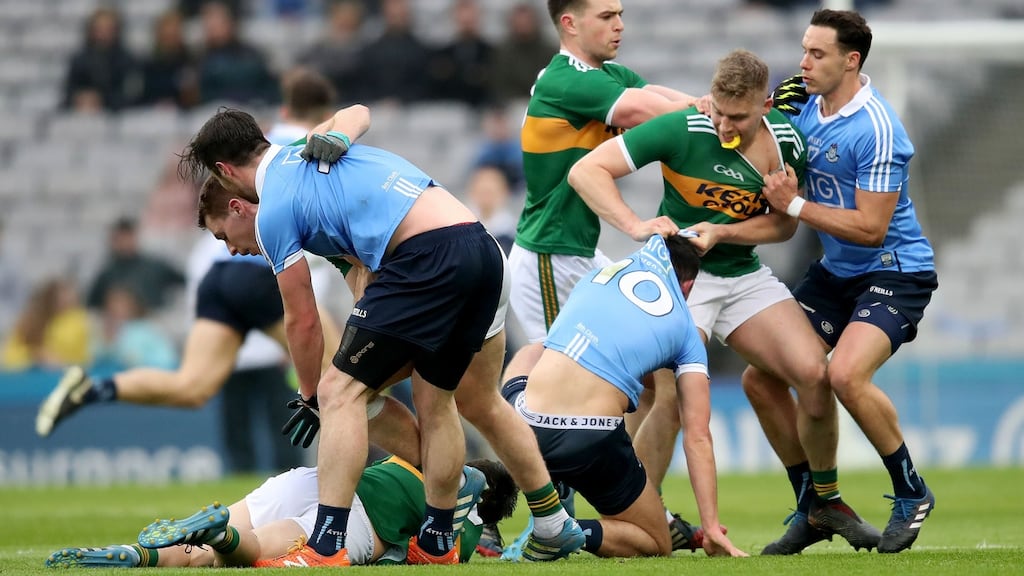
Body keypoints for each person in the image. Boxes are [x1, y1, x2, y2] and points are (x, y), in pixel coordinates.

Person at [179, 104, 583, 565]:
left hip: (427, 257)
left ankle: (326, 544)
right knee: (438, 401)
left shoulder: (273, 209)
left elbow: (302, 319)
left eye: (222, 237)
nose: (230, 248)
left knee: (339, 391)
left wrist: (312, 392)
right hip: (480, 248)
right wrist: (344, 132)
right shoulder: (303, 155)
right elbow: (356, 113)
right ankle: (443, 541)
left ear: (225, 174)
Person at [568, 48, 882, 554]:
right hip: (681, 280)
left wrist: (722, 230)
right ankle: (635, 515)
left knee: (815, 376)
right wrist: (635, 225)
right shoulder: (682, 128)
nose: (723, 124)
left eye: (737, 116)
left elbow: (783, 225)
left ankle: (821, 499)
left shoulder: (786, 143)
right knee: (670, 398)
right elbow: (586, 171)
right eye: (717, 109)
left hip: (741, 274)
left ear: (764, 105)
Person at [506, 0, 705, 551]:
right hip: (547, 255)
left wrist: (707, 106)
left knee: (650, 381)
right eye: (606, 15)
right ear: (569, 23)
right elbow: (649, 111)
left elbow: (659, 96)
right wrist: (713, 109)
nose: (619, 24)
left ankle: (640, 504)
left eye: (621, 14)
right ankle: (550, 525)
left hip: (578, 255)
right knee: (554, 396)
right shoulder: (564, 79)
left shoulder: (608, 75)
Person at [744, 9, 938, 554]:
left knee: (846, 375)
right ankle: (818, 504)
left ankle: (911, 491)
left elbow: (873, 229)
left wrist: (796, 204)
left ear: (851, 61)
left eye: (817, 54)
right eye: (804, 50)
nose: (803, 63)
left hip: (895, 271)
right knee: (762, 380)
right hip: (836, 273)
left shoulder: (876, 126)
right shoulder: (798, 100)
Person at [503, 234, 746, 558]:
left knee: (535, 347)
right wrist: (711, 528)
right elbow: (698, 436)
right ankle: (566, 530)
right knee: (655, 540)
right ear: (687, 288)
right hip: (590, 438)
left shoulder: (595, 278)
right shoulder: (686, 331)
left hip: (524, 424)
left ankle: (543, 481)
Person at [44, 457, 517, 568]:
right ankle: (220, 537)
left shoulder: (407, 453)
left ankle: (133, 554)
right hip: (358, 516)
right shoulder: (465, 510)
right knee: (242, 554)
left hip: (317, 478)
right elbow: (433, 555)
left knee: (200, 547)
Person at [86, 217, 185, 313]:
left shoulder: (155, 266)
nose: (125, 242)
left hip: (154, 322)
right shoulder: (107, 274)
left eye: (128, 237)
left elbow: (184, 281)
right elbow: (92, 305)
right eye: (120, 238)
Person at [2, 278, 90, 371]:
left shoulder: (77, 321)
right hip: (29, 377)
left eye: (69, 298)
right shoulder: (29, 321)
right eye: (59, 298)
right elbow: (8, 357)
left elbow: (81, 358)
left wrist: (56, 360)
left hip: (62, 375)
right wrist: (35, 355)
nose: (66, 302)